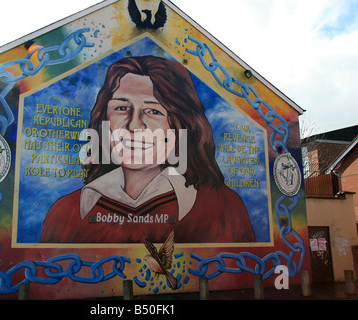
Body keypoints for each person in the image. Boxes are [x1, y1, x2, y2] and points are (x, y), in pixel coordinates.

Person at [40, 55, 256, 244]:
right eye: (122, 108)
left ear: (180, 124)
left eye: (153, 111)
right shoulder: (66, 213)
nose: (134, 125)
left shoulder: (222, 208)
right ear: (105, 120)